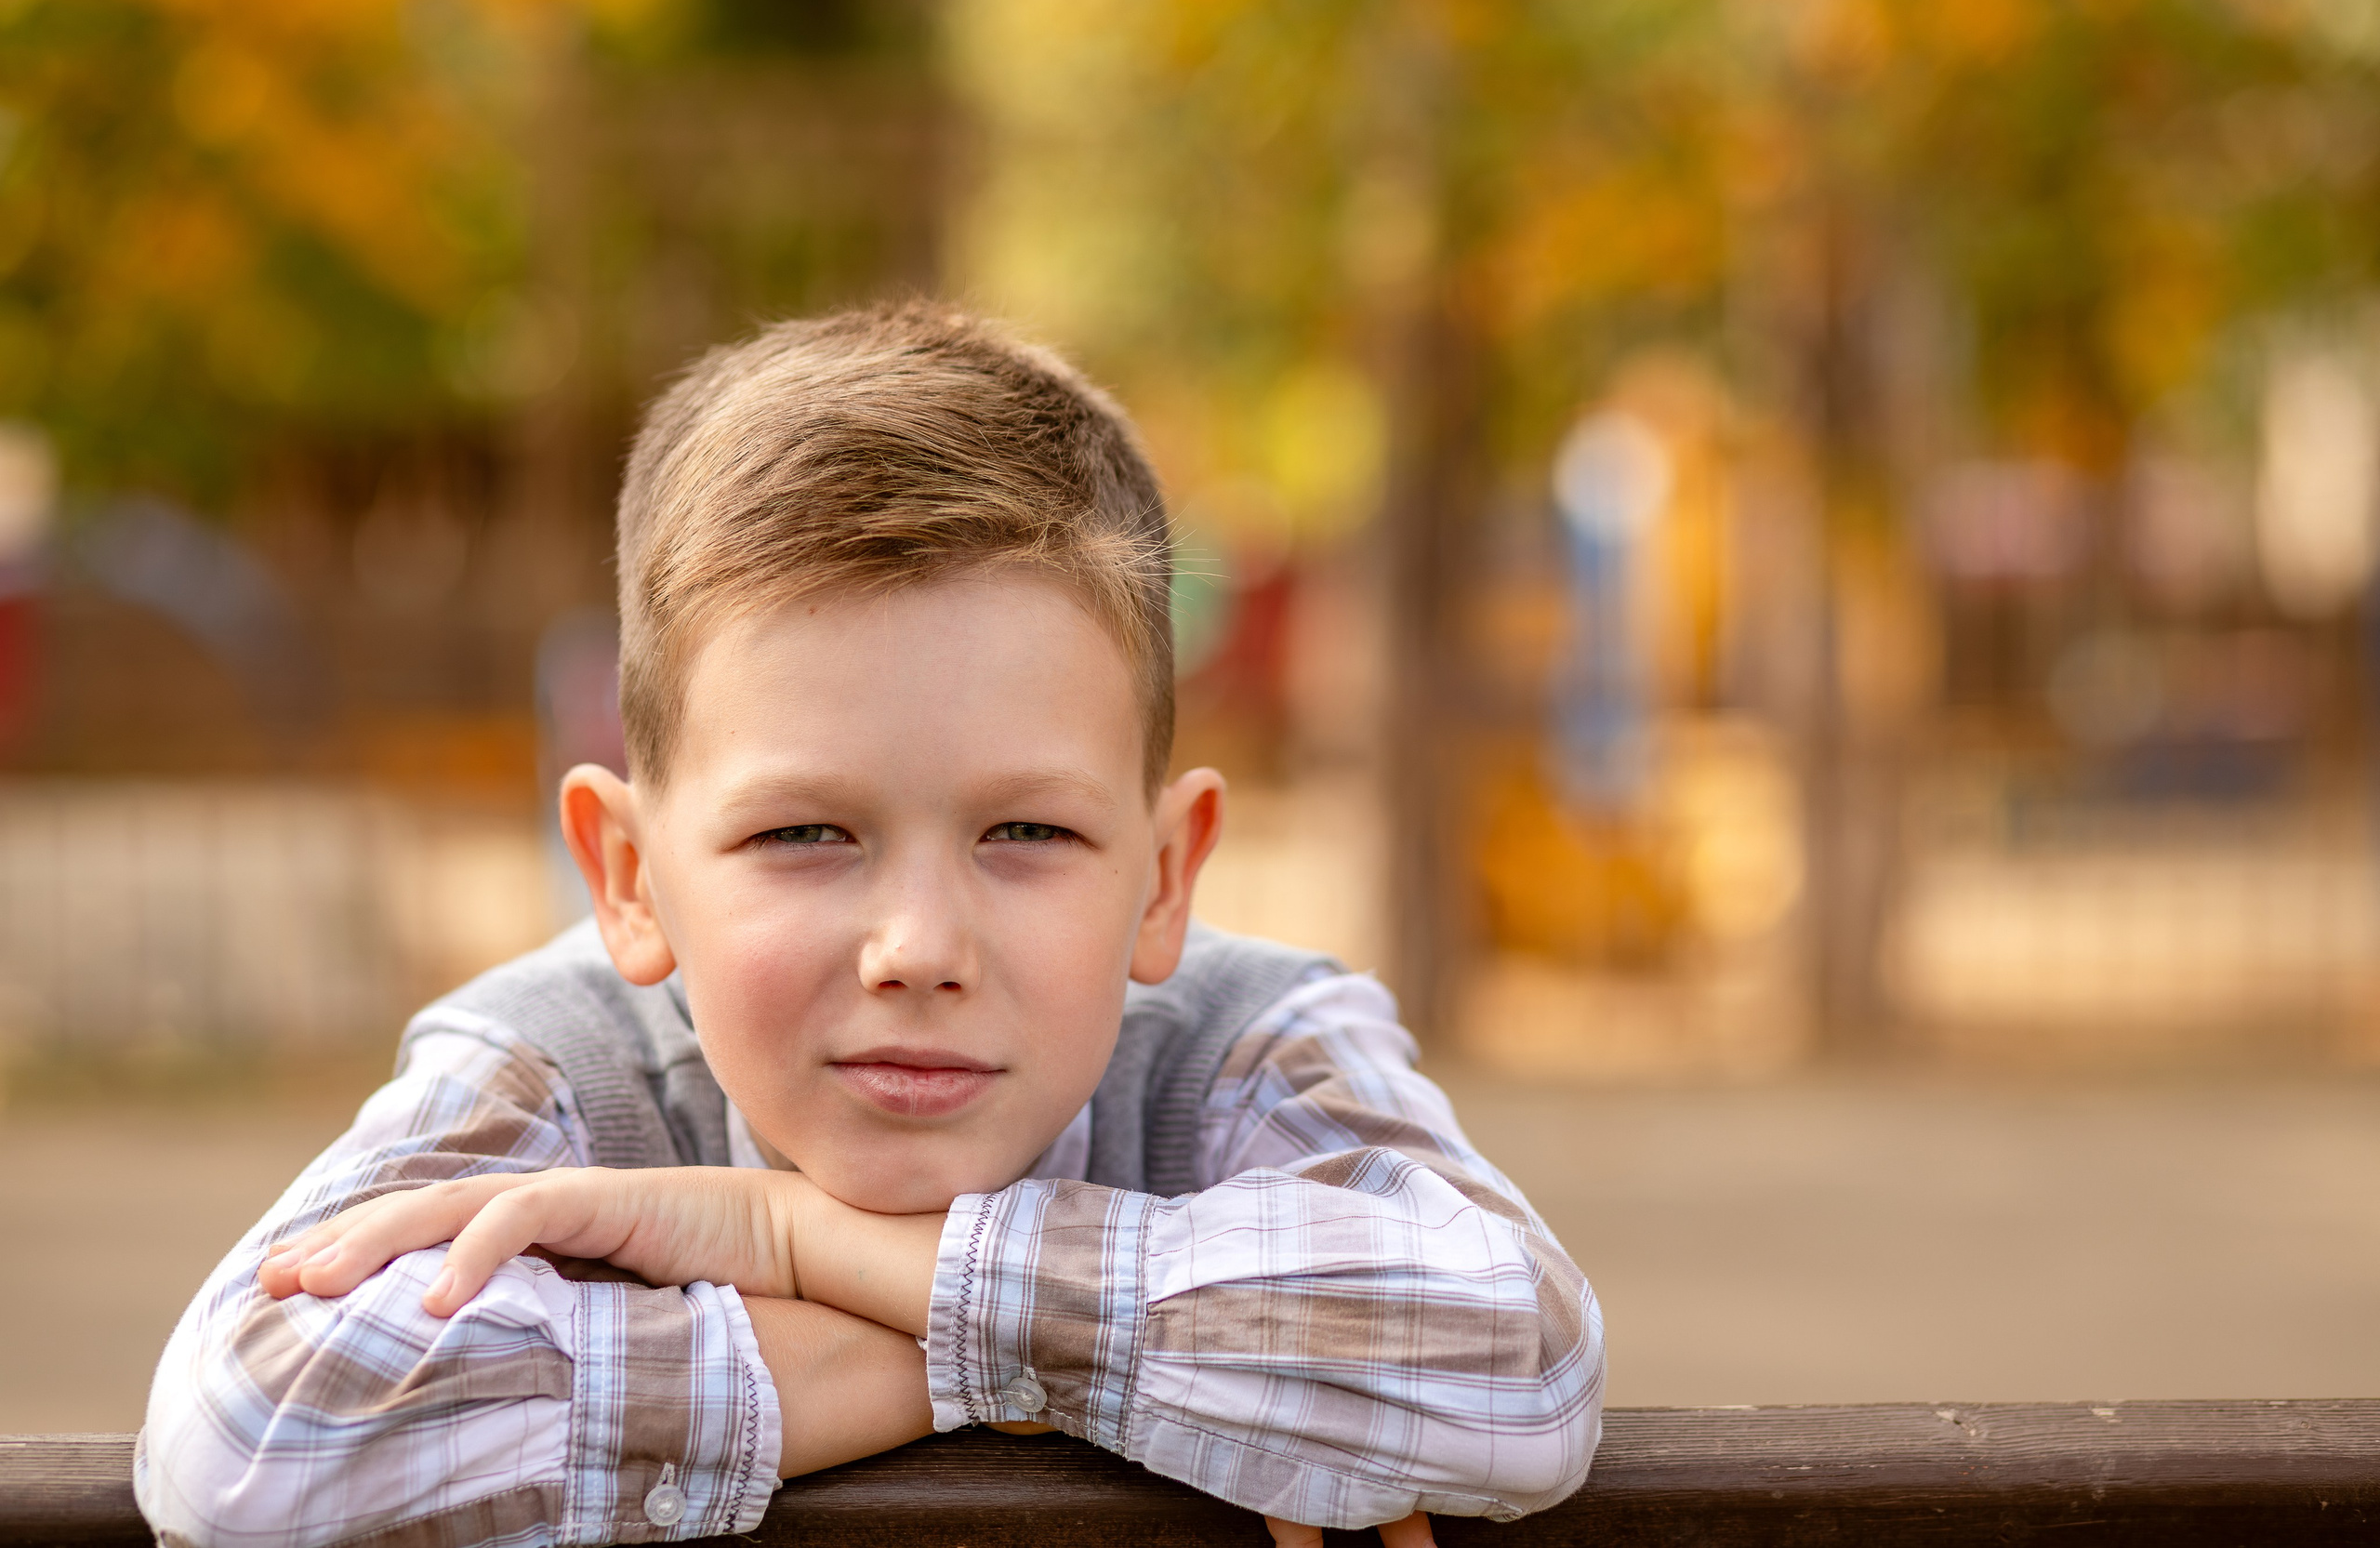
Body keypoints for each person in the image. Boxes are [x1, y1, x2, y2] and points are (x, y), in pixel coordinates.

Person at [136, 305, 1605, 1548]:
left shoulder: (1249, 1034)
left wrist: (788, 1234)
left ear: (1165, 877)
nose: (919, 946)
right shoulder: (555, 1056)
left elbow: (1521, 1358)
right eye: (803, 834)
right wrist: (1030, 1361)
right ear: (630, 878)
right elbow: (254, 1432)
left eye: (1027, 832)